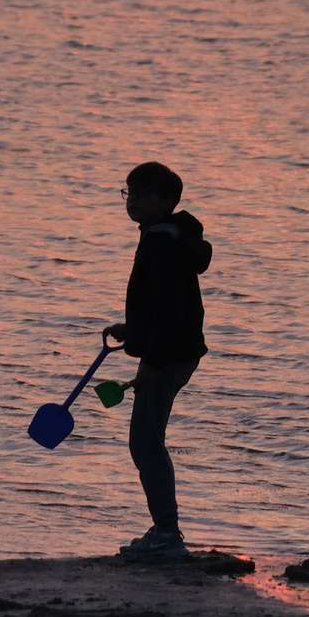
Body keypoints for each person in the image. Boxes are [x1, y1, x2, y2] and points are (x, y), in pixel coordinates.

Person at [106, 161, 213, 560]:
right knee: (147, 441)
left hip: (167, 351)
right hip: (173, 349)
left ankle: (166, 532)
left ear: (166, 201)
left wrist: (140, 336)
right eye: (128, 193)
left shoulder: (162, 242)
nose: (131, 201)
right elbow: (162, 302)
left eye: (140, 194)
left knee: (146, 442)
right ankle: (165, 529)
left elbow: (166, 305)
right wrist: (132, 328)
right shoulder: (169, 235)